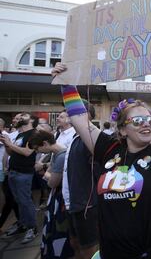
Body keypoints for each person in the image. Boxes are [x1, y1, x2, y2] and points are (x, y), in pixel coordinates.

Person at [52, 49, 151, 259]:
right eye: (137, 121)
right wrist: (66, 82)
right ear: (123, 130)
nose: (146, 124)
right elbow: (80, 118)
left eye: (149, 120)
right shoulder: (108, 148)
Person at [28, 130, 74, 258]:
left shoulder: (60, 156)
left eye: (38, 148)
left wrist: (42, 171)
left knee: (58, 232)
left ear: (45, 143)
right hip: (58, 198)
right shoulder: (58, 154)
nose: (38, 152)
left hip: (61, 200)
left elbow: (53, 183)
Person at [63, 100, 99, 259]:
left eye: (70, 110)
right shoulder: (74, 137)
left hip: (87, 206)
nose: (63, 114)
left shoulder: (91, 140)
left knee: (90, 250)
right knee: (75, 244)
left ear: (86, 115)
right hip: (73, 203)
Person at [0, 113, 38, 243]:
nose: (19, 117)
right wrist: (6, 144)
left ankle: (32, 228)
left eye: (24, 115)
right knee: (18, 201)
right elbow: (12, 152)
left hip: (24, 174)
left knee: (25, 201)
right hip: (13, 172)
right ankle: (23, 224)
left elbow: (27, 152)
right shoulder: (20, 135)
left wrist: (10, 144)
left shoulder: (34, 134)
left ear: (31, 120)